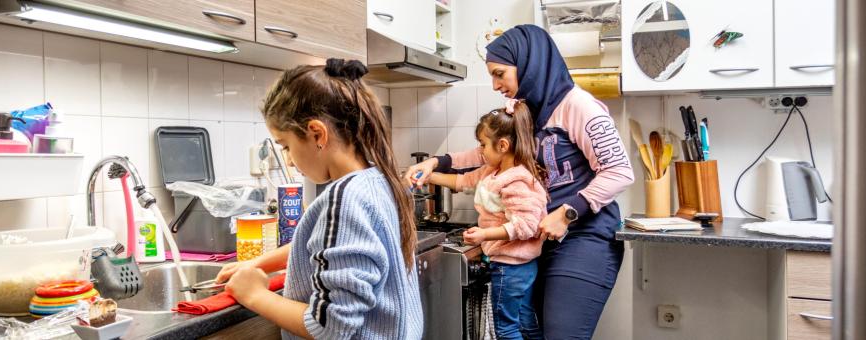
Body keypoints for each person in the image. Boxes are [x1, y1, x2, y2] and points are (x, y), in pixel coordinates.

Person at [406, 25, 634, 339]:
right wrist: (436, 162)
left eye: (500, 74)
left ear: (528, 63)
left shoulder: (579, 107)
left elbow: (619, 170)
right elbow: (486, 151)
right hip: (540, 239)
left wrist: (568, 211)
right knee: (529, 331)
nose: (496, 85)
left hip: (585, 236)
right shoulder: (524, 111)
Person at [218, 58, 423, 339]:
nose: (289, 161)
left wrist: (253, 294)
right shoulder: (380, 181)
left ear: (317, 133)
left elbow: (330, 327)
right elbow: (333, 249)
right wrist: (256, 264)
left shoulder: (345, 199)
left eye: (286, 146)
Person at [419, 100, 549, 339]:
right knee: (525, 322)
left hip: (512, 267)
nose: (480, 152)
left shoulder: (517, 179)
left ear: (502, 145)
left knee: (507, 328)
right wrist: (425, 174)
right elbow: (462, 181)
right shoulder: (493, 171)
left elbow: (526, 225)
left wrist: (484, 234)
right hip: (518, 266)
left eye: (483, 145)